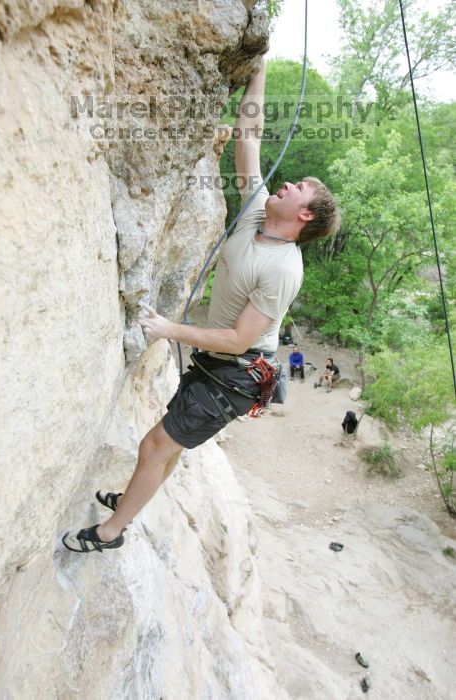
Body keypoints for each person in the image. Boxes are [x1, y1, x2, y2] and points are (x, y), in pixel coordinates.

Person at [63, 59, 341, 553]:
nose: (287, 181)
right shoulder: (257, 210)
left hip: (235, 375)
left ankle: (110, 533)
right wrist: (258, 74)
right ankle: (129, 501)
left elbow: (240, 338)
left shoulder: (283, 270)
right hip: (218, 367)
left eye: (298, 187)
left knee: (155, 445)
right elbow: (248, 136)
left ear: (303, 214)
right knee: (168, 446)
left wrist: (169, 328)